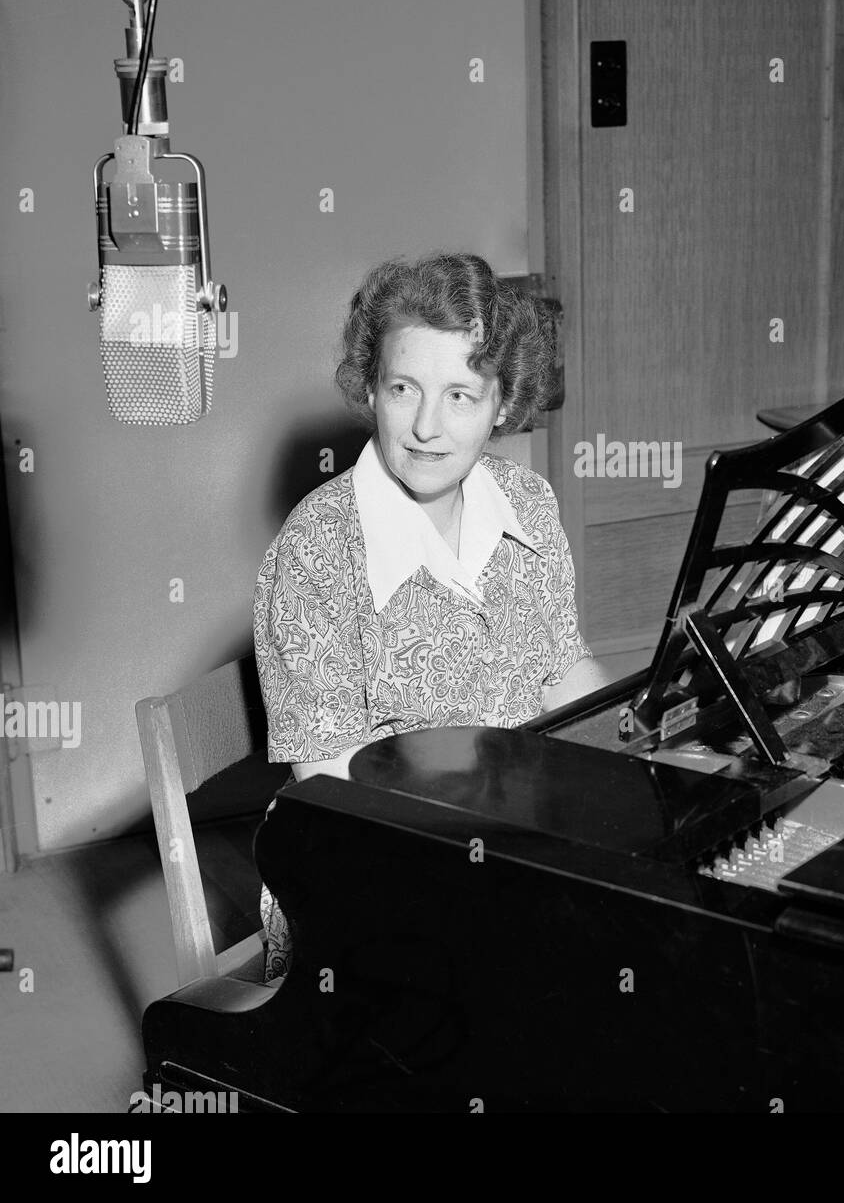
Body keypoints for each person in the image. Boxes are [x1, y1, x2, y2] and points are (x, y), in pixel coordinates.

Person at [252, 253, 610, 980]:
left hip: (523, 837)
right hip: (370, 862)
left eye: (460, 396)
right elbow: (327, 787)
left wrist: (638, 751)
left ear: (504, 405)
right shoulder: (315, 551)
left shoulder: (530, 506)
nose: (424, 426)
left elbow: (563, 671)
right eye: (403, 388)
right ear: (372, 390)